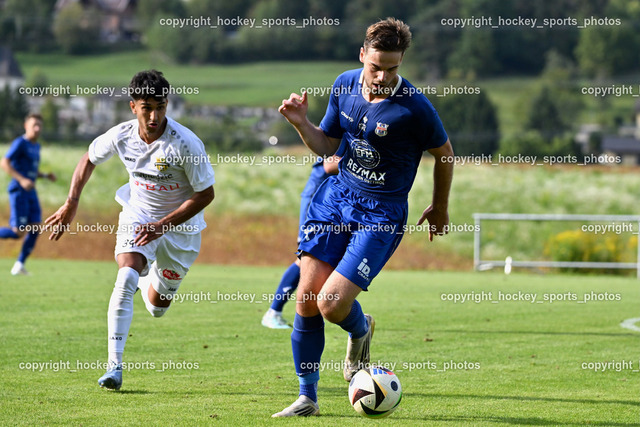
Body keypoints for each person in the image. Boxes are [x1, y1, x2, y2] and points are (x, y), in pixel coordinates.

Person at [273, 18, 454, 417]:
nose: (383, 76)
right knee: (306, 298)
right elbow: (327, 146)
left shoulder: (415, 107)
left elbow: (445, 154)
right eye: (376, 67)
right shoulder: (343, 85)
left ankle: (360, 328)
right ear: (362, 56)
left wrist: (440, 205)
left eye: (392, 68)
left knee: (331, 304)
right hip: (336, 199)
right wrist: (301, 123)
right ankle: (307, 397)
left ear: (401, 63)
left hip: (381, 214)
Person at [45, 70, 215, 391]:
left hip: (181, 230)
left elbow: (206, 195)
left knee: (157, 309)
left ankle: (146, 279)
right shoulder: (121, 135)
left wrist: (162, 226)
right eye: (146, 108)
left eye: (160, 107)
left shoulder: (186, 144)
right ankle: (114, 366)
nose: (154, 116)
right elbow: (88, 159)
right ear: (133, 106)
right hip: (138, 216)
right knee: (125, 277)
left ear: (167, 105)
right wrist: (71, 203)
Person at [262, 154, 341, 329]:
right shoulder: (345, 136)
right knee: (304, 258)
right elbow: (329, 164)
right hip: (318, 201)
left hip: (332, 202)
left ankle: (278, 312)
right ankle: (274, 312)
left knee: (321, 259)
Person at [0, 113, 56, 275]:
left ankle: (19, 265)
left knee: (36, 227)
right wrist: (22, 180)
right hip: (19, 191)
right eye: (34, 125)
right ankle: (18, 265)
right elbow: (4, 162)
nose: (37, 128)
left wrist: (45, 176)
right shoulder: (20, 143)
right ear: (26, 126)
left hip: (31, 192)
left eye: (39, 125)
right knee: (18, 232)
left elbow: (31, 171)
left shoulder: (36, 146)